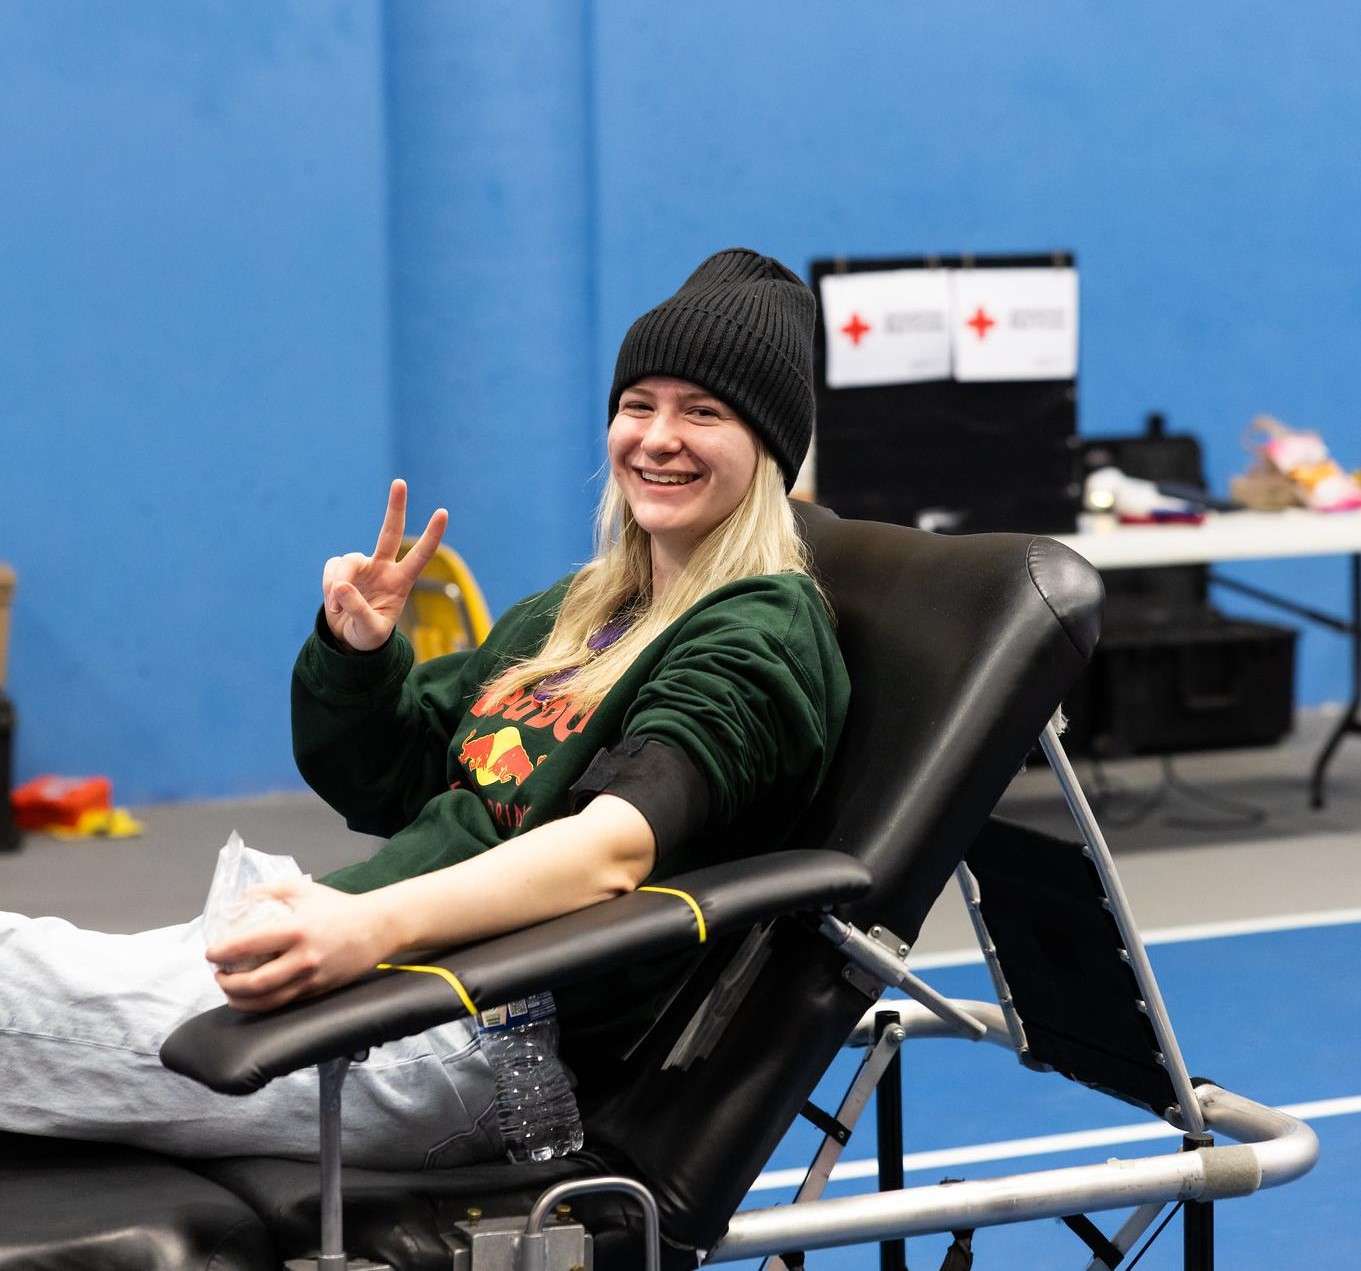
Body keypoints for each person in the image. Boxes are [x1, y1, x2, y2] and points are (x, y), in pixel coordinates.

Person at [0, 248, 849, 1170]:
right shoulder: (582, 609)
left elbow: (614, 849)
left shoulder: (761, 631)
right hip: (390, 971)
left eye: (703, 412)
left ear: (768, 449)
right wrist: (358, 654)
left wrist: (368, 927)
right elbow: (396, 780)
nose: (656, 436)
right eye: (638, 404)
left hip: (476, 1035)